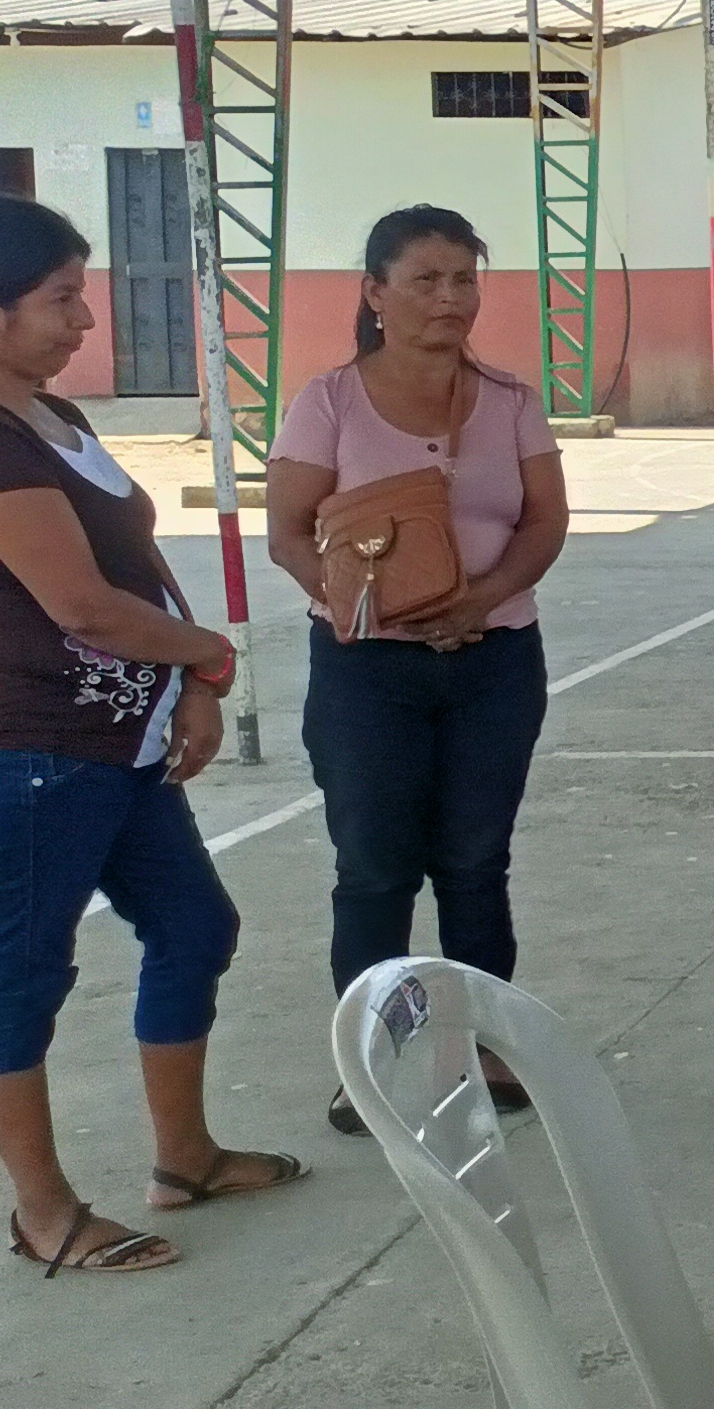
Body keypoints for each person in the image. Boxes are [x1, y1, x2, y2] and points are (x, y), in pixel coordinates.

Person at [0, 193, 300, 1278]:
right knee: (22, 972)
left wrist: (189, 682)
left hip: (115, 747)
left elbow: (130, 567)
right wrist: (209, 653)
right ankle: (44, 1214)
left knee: (194, 926)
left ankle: (185, 1158)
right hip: (29, 759)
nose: (85, 320)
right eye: (62, 299)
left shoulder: (48, 415)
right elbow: (82, 608)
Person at [265, 205, 571, 1137]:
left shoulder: (512, 401)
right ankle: (371, 1063)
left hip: (496, 661)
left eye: (464, 279)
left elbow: (544, 521)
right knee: (374, 867)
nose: (449, 298)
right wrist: (368, 609)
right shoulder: (329, 402)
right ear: (375, 293)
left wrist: (482, 601)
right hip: (368, 674)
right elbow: (288, 532)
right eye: (426, 280)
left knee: (476, 862)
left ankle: (481, 1050)